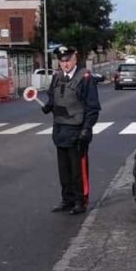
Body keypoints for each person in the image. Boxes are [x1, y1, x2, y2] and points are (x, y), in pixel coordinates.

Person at [42, 46, 101, 214]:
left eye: (67, 60)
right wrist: (48, 106)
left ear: (75, 59)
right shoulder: (57, 77)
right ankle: (67, 200)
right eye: (62, 61)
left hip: (77, 131)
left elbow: (92, 108)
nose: (65, 64)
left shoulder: (85, 78)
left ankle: (80, 201)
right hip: (60, 130)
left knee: (78, 170)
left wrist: (86, 130)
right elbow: (53, 98)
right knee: (64, 170)